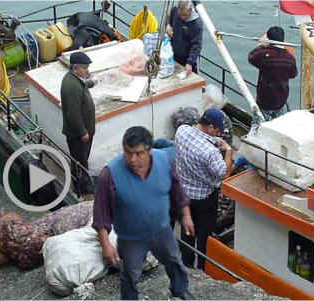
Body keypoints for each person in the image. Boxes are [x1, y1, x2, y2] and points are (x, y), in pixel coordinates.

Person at [92, 126, 195, 300]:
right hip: (131, 238)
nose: (132, 159)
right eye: (128, 152)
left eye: (138, 153)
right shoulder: (109, 175)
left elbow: (177, 190)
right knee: (130, 274)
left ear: (149, 150)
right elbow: (101, 213)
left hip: (162, 230)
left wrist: (186, 215)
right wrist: (105, 245)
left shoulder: (165, 161)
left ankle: (180, 290)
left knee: (175, 262)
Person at [174, 108, 232, 270]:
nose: (218, 133)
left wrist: (214, 141)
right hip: (204, 198)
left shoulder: (181, 131)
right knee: (204, 235)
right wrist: (228, 151)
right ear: (211, 127)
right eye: (217, 130)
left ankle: (186, 263)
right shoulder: (211, 152)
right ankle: (202, 266)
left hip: (183, 194)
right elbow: (223, 173)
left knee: (187, 231)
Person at [60, 51, 96, 200]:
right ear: (75, 68)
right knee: (79, 162)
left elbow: (82, 86)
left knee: (82, 159)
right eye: (84, 67)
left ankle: (83, 185)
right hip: (78, 135)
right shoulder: (71, 86)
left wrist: (90, 83)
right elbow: (72, 113)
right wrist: (82, 132)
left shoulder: (75, 80)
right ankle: (81, 190)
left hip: (84, 132)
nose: (87, 70)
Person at [248, 26, 298, 121]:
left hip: (264, 99)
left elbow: (251, 57)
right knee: (278, 126)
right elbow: (293, 74)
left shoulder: (264, 54)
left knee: (259, 126)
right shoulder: (289, 58)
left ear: (269, 39)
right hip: (280, 99)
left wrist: (261, 46)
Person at [166, 0, 203, 76]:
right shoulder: (174, 11)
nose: (182, 17)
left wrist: (190, 63)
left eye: (185, 15)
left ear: (190, 10)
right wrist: (167, 25)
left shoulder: (196, 24)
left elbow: (197, 45)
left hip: (187, 58)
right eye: (180, 14)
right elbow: (168, 19)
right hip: (173, 55)